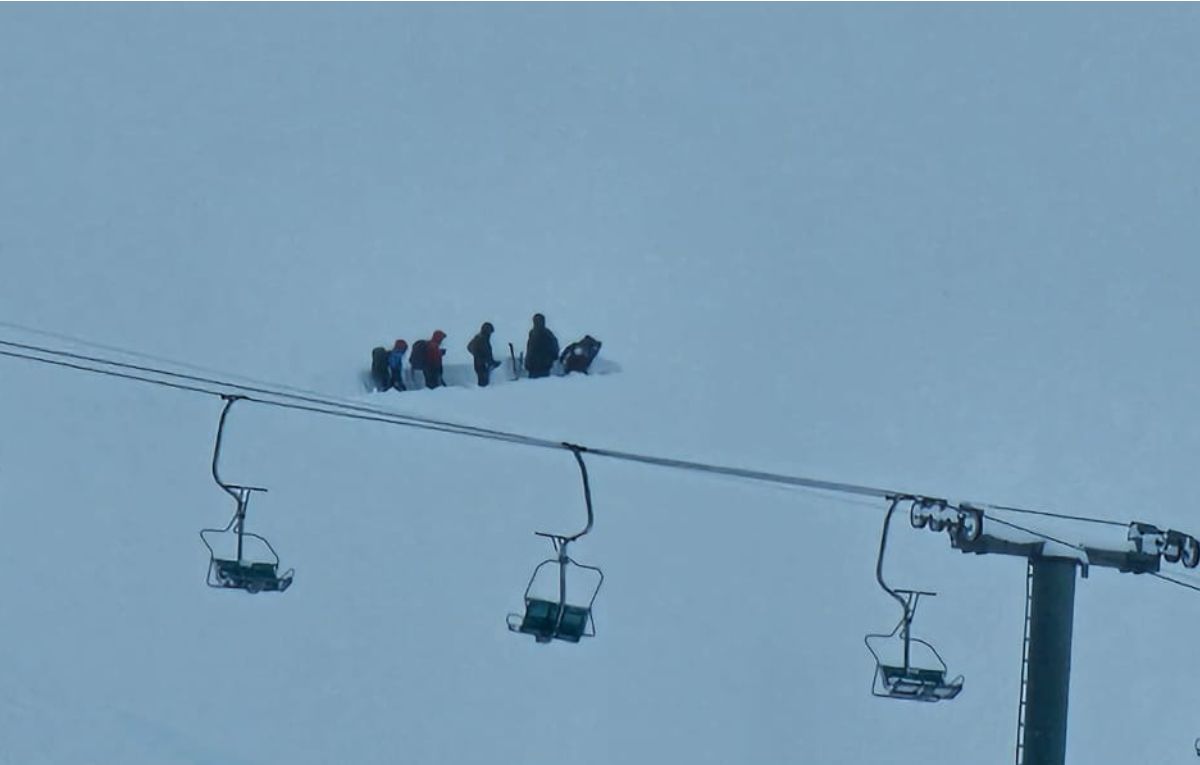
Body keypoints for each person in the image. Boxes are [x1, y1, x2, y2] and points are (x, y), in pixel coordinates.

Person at [524, 313, 559, 379]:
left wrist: (549, 360)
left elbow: (555, 350)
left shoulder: (547, 334)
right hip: (533, 367)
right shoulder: (532, 334)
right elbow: (529, 350)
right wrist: (527, 363)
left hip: (543, 367)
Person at [467, 322, 502, 387]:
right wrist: (480, 357)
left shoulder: (481, 338)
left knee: (484, 384)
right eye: (490, 332)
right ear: (487, 331)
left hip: (483, 364)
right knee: (484, 386)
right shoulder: (481, 339)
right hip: (481, 365)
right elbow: (470, 348)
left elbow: (470, 347)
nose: (491, 334)